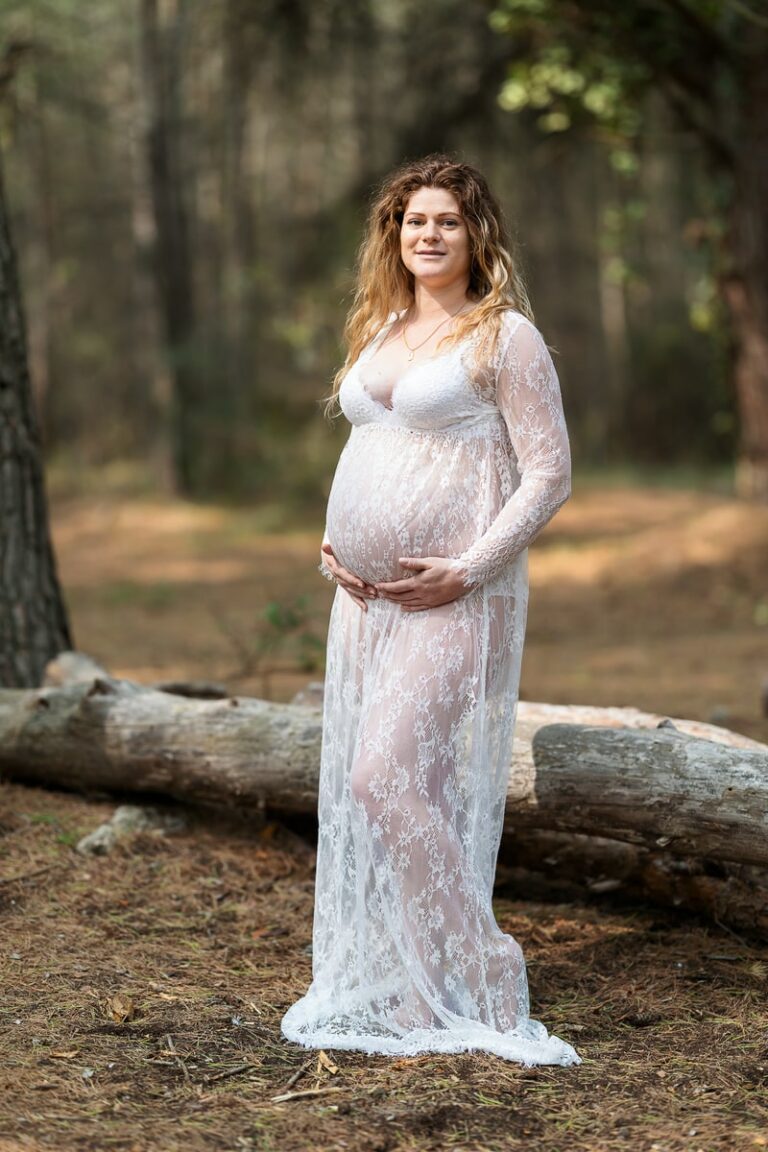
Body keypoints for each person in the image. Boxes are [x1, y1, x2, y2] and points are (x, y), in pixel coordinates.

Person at [280, 154, 582, 1067]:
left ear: (476, 233)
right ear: (394, 234)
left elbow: (550, 474)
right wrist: (337, 541)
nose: (429, 234)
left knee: (383, 778)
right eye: (414, 220)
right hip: (363, 601)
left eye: (447, 220)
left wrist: (470, 566)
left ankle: (484, 967)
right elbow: (373, 452)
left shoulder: (505, 336)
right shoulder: (381, 328)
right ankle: (422, 979)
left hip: (456, 597)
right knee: (420, 791)